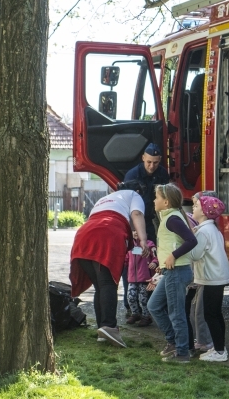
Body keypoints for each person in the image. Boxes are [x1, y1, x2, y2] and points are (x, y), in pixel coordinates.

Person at [70, 181, 149, 348]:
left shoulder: (105, 199)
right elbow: (136, 214)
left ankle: (103, 329)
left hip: (83, 236)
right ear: (137, 190)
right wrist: (143, 240)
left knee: (100, 286)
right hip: (107, 234)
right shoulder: (134, 195)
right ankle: (110, 327)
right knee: (108, 284)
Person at [147, 183, 197, 363]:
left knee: (176, 314)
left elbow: (192, 240)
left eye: (157, 197)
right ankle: (173, 342)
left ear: (166, 202)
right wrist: (163, 263)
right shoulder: (169, 217)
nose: (154, 200)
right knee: (154, 305)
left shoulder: (172, 219)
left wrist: (173, 256)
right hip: (170, 271)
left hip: (177, 272)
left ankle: (182, 353)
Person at [122, 142, 169, 317]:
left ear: (160, 160)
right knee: (133, 263)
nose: (151, 166)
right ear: (143, 158)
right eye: (149, 162)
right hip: (135, 222)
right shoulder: (132, 175)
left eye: (155, 163)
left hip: (153, 222)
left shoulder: (162, 174)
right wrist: (132, 229)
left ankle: (150, 305)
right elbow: (127, 204)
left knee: (153, 261)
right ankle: (130, 305)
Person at [188, 194, 229, 362]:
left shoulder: (203, 232)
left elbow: (194, 255)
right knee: (216, 314)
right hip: (218, 276)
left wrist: (185, 243)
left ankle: (219, 352)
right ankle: (220, 347)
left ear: (205, 212)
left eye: (197, 206)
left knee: (210, 315)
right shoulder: (212, 229)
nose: (193, 208)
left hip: (211, 277)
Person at [124, 230, 157, 327]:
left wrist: (154, 262)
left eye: (138, 230)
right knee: (130, 297)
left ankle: (146, 317)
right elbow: (126, 259)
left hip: (144, 278)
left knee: (143, 299)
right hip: (132, 278)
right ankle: (135, 314)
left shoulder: (149, 244)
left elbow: (155, 256)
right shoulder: (130, 245)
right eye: (134, 230)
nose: (135, 232)